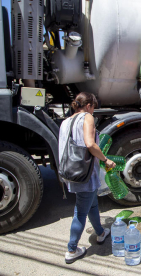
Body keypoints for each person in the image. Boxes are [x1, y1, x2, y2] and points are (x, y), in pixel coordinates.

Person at [58, 92, 116, 264]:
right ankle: (72, 249)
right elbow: (90, 144)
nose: (93, 111)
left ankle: (100, 232)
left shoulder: (66, 121)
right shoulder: (87, 117)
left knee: (92, 204)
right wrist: (106, 160)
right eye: (93, 108)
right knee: (80, 212)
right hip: (85, 173)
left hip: (72, 171)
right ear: (89, 105)